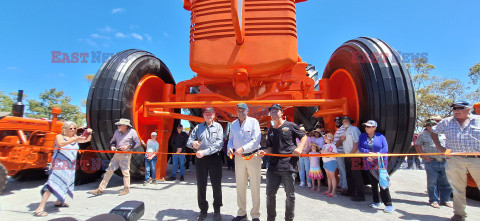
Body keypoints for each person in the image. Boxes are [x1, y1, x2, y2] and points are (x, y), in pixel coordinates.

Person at [431, 101, 480, 221]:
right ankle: (459, 214)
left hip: (477, 160)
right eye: (454, 108)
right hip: (454, 160)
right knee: (458, 188)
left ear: (468, 109)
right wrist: (439, 147)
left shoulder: (478, 120)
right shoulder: (447, 122)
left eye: (460, 108)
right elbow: (433, 131)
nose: (456, 110)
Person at [258, 104, 307, 221]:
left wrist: (300, 148)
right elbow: (270, 147)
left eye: (276, 111)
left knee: (290, 195)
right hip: (273, 167)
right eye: (271, 112)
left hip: (289, 165)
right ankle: (271, 219)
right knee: (270, 195)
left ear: (281, 113)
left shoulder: (290, 126)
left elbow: (304, 136)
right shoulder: (270, 130)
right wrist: (264, 151)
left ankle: (289, 219)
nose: (273, 113)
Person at [33, 122, 92, 217]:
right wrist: (75, 139)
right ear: (65, 129)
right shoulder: (59, 136)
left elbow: (86, 140)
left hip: (70, 165)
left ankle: (59, 201)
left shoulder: (75, 138)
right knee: (52, 184)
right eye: (70, 128)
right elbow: (60, 144)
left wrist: (89, 132)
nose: (73, 130)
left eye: (74, 128)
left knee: (65, 183)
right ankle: (40, 208)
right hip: (59, 164)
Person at [187, 107, 224, 221]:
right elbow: (189, 142)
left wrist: (204, 152)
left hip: (214, 159)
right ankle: (203, 211)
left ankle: (217, 210)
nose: (208, 115)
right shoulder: (198, 127)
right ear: (203, 115)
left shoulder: (218, 127)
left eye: (210, 113)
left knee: (216, 186)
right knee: (201, 186)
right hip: (200, 160)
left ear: (214, 115)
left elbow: (219, 144)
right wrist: (193, 144)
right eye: (206, 113)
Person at [227, 103, 262, 221]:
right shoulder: (233, 124)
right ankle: (242, 212)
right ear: (236, 111)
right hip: (238, 158)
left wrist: (243, 148)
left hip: (253, 156)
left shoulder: (254, 122)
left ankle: (255, 214)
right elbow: (230, 139)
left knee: (255, 185)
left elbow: (256, 140)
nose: (240, 112)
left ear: (247, 110)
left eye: (242, 110)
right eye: (238, 110)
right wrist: (229, 148)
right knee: (240, 185)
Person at [89, 118, 141, 196]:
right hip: (117, 154)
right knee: (109, 170)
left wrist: (128, 147)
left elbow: (137, 143)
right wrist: (112, 146)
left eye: (119, 125)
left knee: (125, 172)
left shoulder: (132, 132)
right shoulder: (117, 132)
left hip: (126, 154)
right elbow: (113, 141)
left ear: (125, 126)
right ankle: (100, 189)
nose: (118, 126)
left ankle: (126, 189)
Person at [358, 120, 395, 213]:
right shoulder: (362, 136)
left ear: (374, 128)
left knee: (383, 183)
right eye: (366, 126)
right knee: (373, 183)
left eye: (369, 127)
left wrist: (376, 155)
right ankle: (376, 201)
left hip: (380, 163)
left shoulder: (381, 136)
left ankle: (388, 204)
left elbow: (385, 149)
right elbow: (360, 147)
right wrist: (368, 154)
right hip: (368, 162)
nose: (366, 128)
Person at [415, 119, 452, 208]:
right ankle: (434, 200)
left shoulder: (444, 134)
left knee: (446, 182)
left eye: (433, 124)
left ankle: (445, 200)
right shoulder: (423, 135)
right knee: (432, 182)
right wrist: (424, 156)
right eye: (429, 125)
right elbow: (417, 145)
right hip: (431, 162)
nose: (431, 126)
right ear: (426, 126)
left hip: (445, 161)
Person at [339, 116, 364, 202]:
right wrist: (342, 139)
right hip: (347, 156)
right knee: (349, 175)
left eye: (346, 121)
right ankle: (351, 191)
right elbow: (341, 142)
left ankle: (360, 195)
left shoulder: (354, 129)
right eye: (343, 121)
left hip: (354, 155)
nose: (345, 122)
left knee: (357, 176)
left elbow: (357, 143)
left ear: (350, 121)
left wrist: (351, 153)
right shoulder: (344, 131)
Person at [333, 116, 347, 192]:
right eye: (335, 121)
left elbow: (342, 140)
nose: (336, 122)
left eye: (338, 121)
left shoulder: (343, 129)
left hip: (340, 151)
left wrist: (334, 147)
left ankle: (344, 185)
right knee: (340, 169)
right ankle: (341, 183)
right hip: (337, 151)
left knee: (342, 168)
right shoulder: (339, 129)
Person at [321, 133, 338, 197]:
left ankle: (333, 191)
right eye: (324, 138)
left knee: (332, 177)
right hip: (325, 162)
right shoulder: (324, 145)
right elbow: (322, 152)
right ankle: (329, 190)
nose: (324, 139)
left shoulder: (333, 145)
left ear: (330, 138)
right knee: (328, 177)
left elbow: (335, 153)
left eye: (326, 137)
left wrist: (326, 153)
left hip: (331, 162)